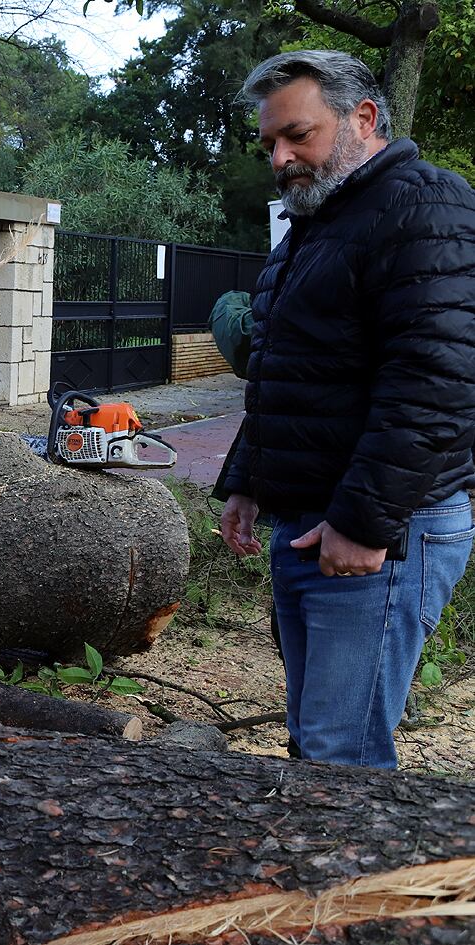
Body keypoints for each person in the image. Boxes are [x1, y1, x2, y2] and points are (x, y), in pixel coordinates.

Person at [218, 50, 475, 768]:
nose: (280, 157)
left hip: (386, 530)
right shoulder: (317, 222)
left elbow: (437, 383)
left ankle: (362, 882)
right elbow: (283, 370)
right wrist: (246, 481)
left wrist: (363, 524)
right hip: (310, 520)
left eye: (299, 135)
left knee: (342, 756)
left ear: (364, 118)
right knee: (317, 742)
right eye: (271, 142)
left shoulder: (427, 207)